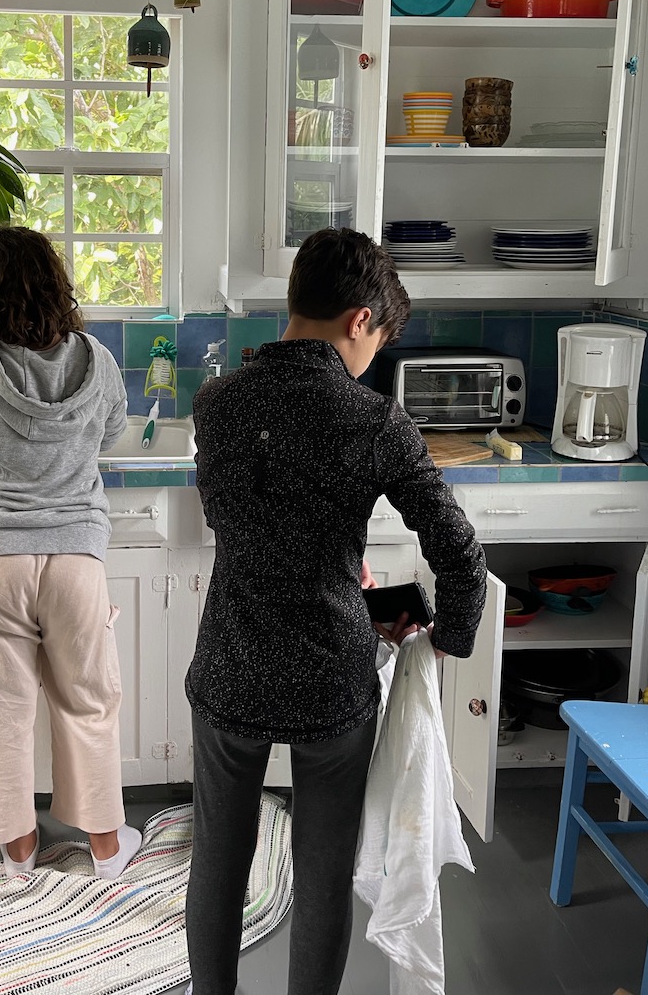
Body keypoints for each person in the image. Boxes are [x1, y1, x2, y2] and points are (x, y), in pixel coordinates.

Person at [184, 227, 487, 995]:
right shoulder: (376, 420)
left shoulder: (216, 403)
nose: (371, 359)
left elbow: (252, 524)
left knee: (217, 860)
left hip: (231, 661)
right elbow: (460, 554)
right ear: (360, 320)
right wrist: (444, 638)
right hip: (331, 679)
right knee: (323, 875)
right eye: (377, 343)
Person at [0, 226, 142, 881]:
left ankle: (19, 856)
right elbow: (113, 433)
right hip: (76, 555)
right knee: (88, 702)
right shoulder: (99, 361)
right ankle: (106, 850)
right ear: (55, 285)